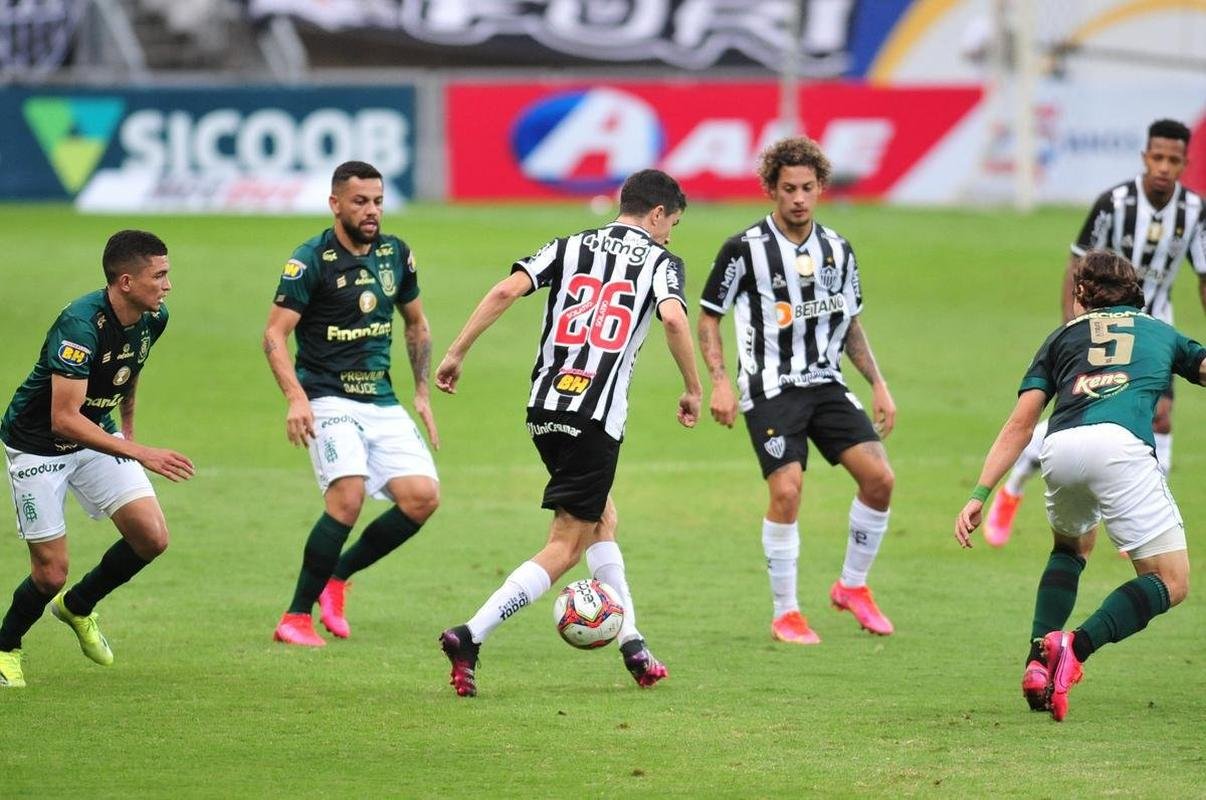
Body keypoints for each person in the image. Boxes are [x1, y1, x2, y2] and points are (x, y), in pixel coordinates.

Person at [434, 169, 702, 697]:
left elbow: (508, 288)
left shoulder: (569, 245)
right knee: (566, 544)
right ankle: (471, 633)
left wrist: (457, 350)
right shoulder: (661, 261)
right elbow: (672, 320)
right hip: (596, 416)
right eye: (672, 222)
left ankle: (633, 644)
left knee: (603, 517)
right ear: (656, 215)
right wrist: (694, 386)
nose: (671, 233)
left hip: (545, 407)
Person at [955, 249, 1204, 721]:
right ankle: (1073, 646)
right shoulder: (1159, 331)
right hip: (1120, 447)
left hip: (1061, 447)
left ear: (1081, 294)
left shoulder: (1060, 337)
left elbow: (1021, 424)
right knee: (1171, 581)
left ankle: (1036, 660)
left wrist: (979, 493)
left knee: (1071, 547)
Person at [697, 137, 897, 645]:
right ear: (771, 189)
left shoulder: (838, 249)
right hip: (769, 390)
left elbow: (849, 322)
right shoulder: (745, 248)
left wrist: (878, 383)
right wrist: (720, 382)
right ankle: (786, 612)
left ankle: (853, 586)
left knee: (880, 480)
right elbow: (709, 317)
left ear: (821, 188)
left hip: (826, 383)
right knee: (786, 490)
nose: (799, 199)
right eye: (789, 189)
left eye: (808, 188)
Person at [984, 118, 1205, 546]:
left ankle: (1140, 513)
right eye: (1157, 157)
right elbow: (1076, 264)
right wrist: (1073, 328)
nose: (1163, 167)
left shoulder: (1194, 211)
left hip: (1155, 329)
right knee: (1076, 415)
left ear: (1183, 163)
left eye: (1173, 160)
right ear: (1145, 157)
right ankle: (1012, 489)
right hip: (1098, 328)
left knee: (1160, 414)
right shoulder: (1114, 203)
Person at [0, 230, 195, 688]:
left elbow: (128, 371)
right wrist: (140, 451)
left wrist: (126, 429)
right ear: (125, 281)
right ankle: (6, 646)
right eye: (159, 276)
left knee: (151, 537)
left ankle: (78, 605)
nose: (167, 286)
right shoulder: (80, 325)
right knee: (49, 573)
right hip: (38, 443)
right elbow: (64, 419)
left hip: (98, 433)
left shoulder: (154, 317)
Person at [264, 160, 440, 647]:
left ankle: (336, 576)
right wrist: (296, 398)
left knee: (423, 498)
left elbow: (417, 325)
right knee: (348, 497)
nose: (372, 211)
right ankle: (294, 617)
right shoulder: (310, 260)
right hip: (325, 395)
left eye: (378, 201)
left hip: (380, 399)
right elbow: (275, 335)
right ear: (335, 203)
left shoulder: (396, 254)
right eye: (360, 201)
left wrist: (421, 391)